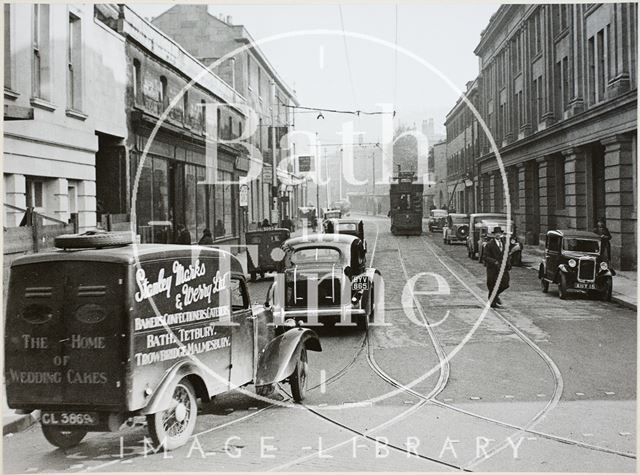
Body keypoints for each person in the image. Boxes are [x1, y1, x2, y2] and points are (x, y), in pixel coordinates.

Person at [483, 226, 511, 308]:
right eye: (496, 234)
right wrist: (494, 261)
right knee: (492, 284)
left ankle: (495, 296)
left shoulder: (504, 243)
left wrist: (508, 263)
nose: (498, 235)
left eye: (499, 233)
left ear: (501, 234)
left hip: (503, 268)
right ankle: (492, 303)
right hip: (493, 269)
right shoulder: (489, 244)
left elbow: (507, 254)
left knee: (505, 284)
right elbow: (485, 256)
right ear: (494, 235)